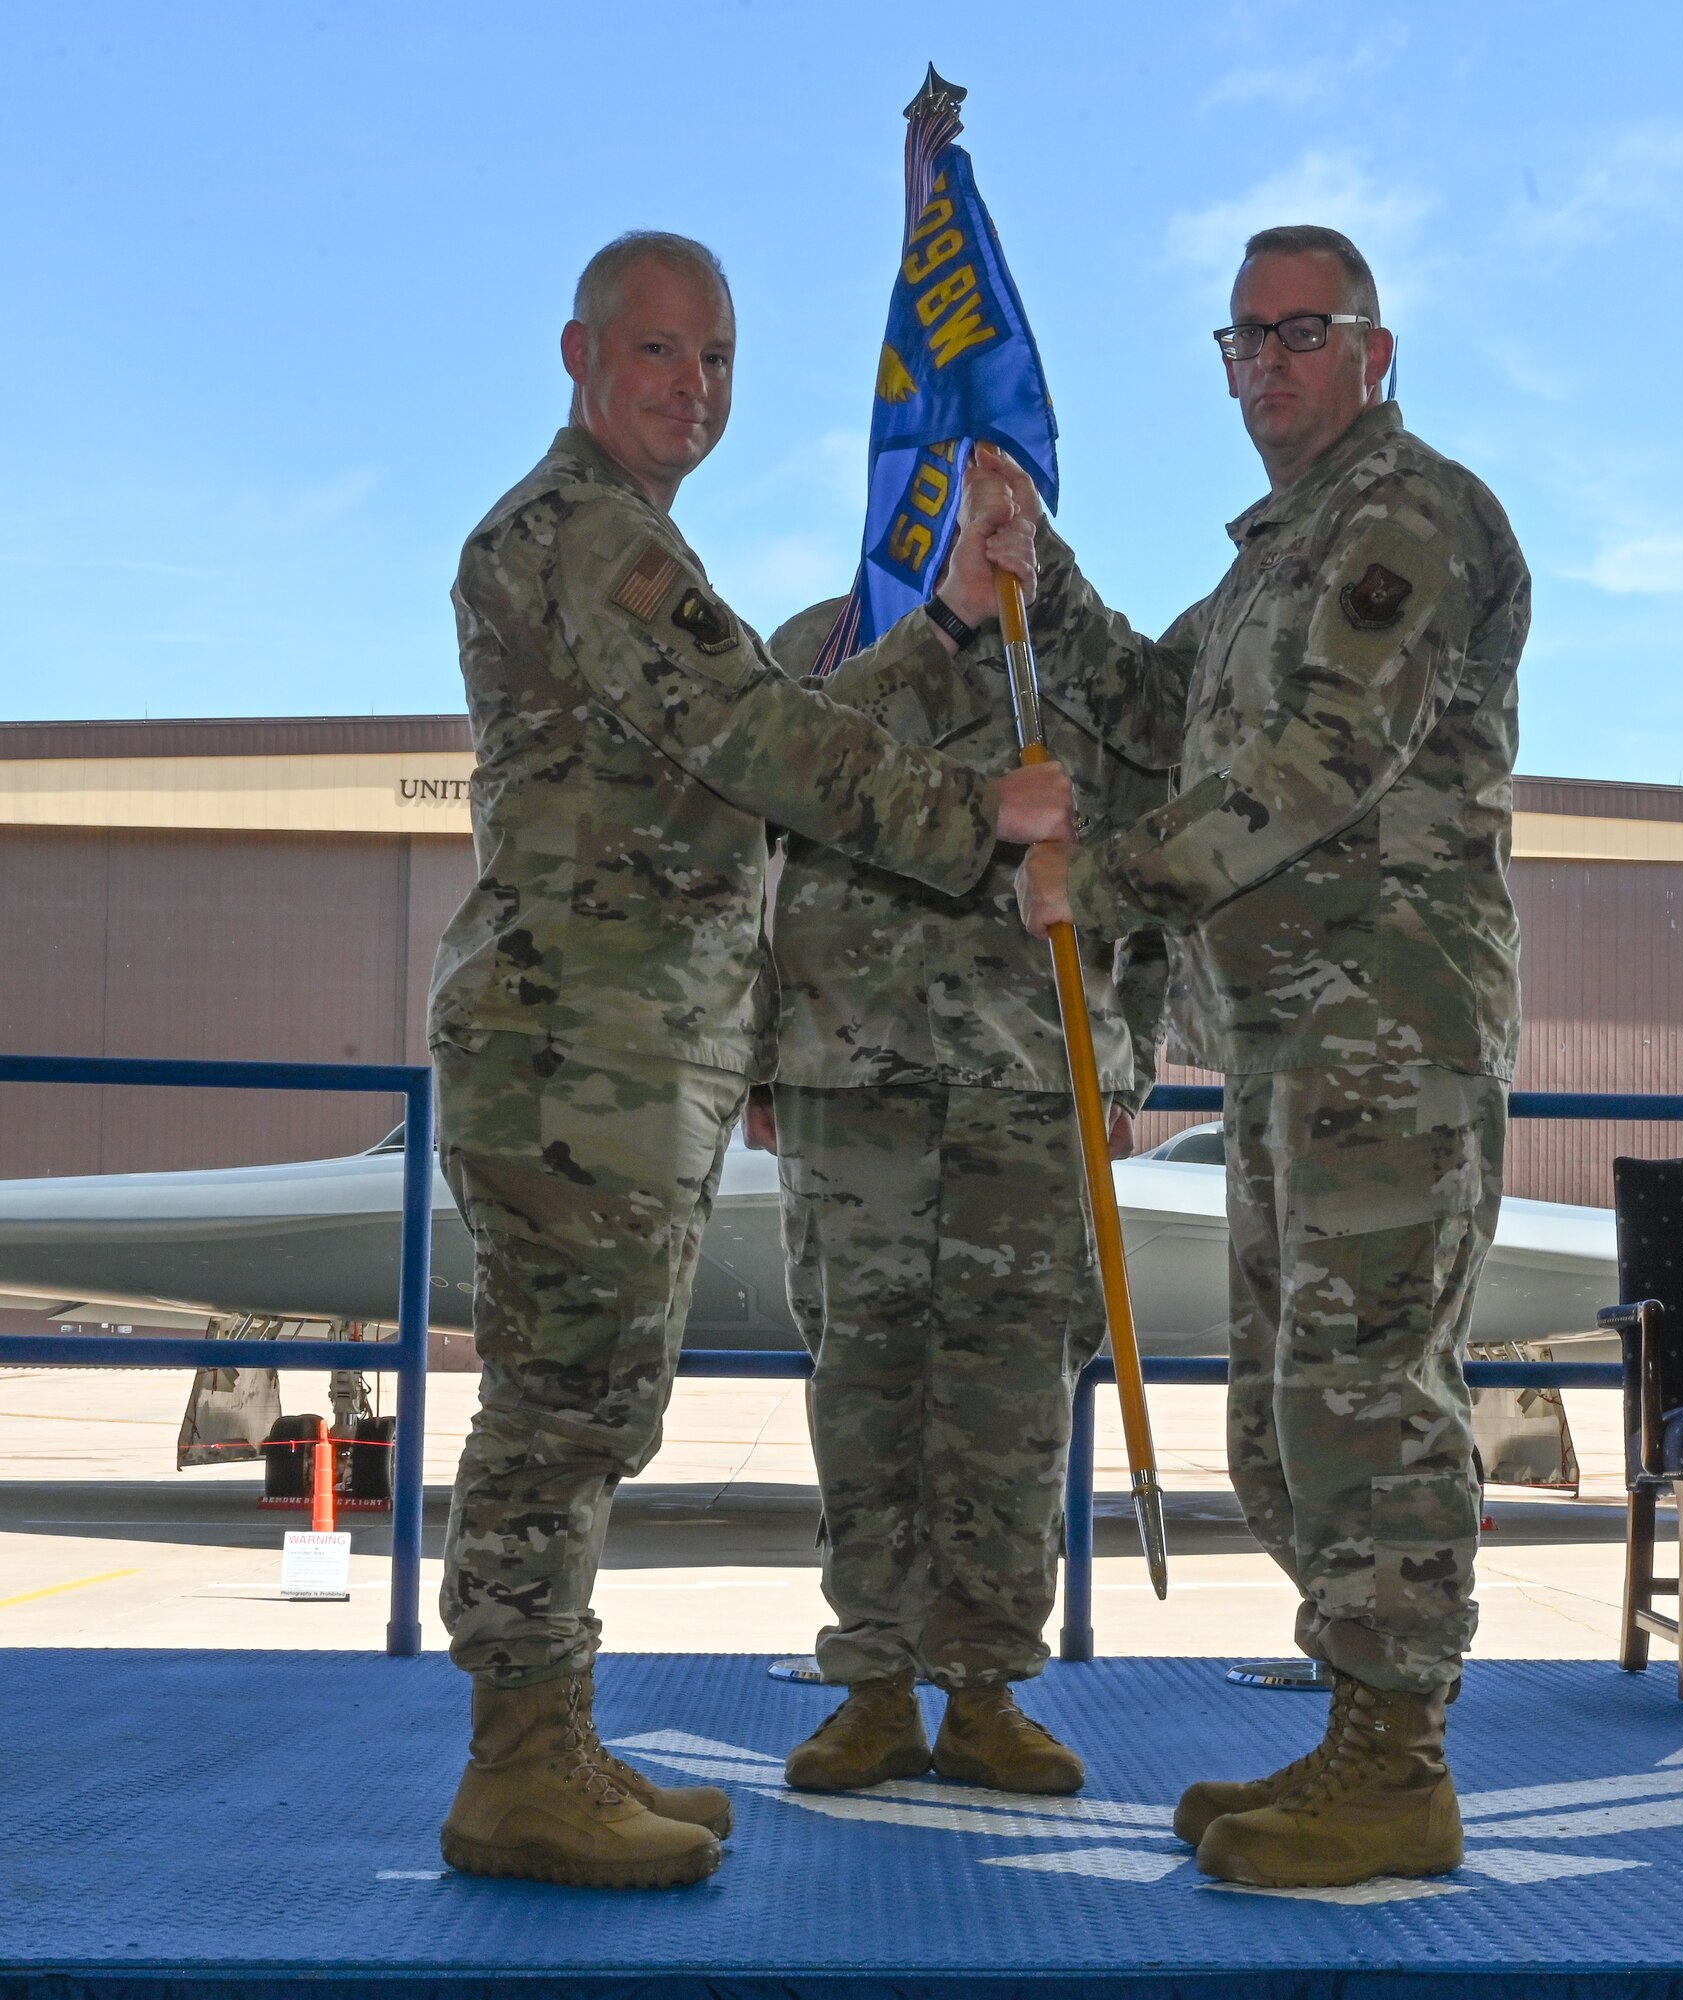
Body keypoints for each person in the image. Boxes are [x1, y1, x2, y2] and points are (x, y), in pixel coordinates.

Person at [428, 231, 1074, 1891]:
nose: (691, 388)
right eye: (658, 353)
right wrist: (977, 809)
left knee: (588, 1407)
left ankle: (543, 1737)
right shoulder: (587, 540)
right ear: (580, 356)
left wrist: (940, 627)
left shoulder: (629, 543)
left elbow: (761, 728)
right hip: (580, 1043)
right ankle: (515, 1767)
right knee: (561, 1414)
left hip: (621, 1044)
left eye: (715, 361)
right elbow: (768, 739)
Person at [1010, 224, 1528, 1889]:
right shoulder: (1268, 560)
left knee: (1367, 1395)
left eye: (1302, 331)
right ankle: (1357, 1736)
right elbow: (1163, 707)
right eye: (1241, 341)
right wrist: (1043, 577)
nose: (1268, 364)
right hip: (1282, 1036)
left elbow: (1318, 766)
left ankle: (1397, 1763)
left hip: (1386, 1029)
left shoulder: (1407, 516)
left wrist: (1093, 880)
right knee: (1291, 1412)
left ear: (1375, 352)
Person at [757, 476, 1170, 1799]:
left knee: (1010, 1399)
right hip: (852, 1074)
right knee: (863, 1388)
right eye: (957, 489)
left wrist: (1127, 1053)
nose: (986, 516)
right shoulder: (821, 652)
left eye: (1012, 494)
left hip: (1035, 1082)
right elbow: (768, 831)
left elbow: (1155, 861)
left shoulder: (1088, 672)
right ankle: (870, 1683)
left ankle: (988, 1689)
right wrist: (762, 1047)